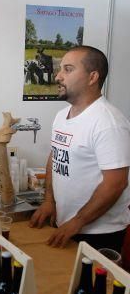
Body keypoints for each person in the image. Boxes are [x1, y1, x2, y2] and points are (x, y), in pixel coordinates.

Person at [29, 45, 130, 252]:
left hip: (98, 234)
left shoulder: (108, 122)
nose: (58, 76)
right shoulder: (61, 116)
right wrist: (50, 201)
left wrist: (77, 222)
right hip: (67, 225)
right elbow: (55, 157)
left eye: (68, 69)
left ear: (92, 77)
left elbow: (116, 184)